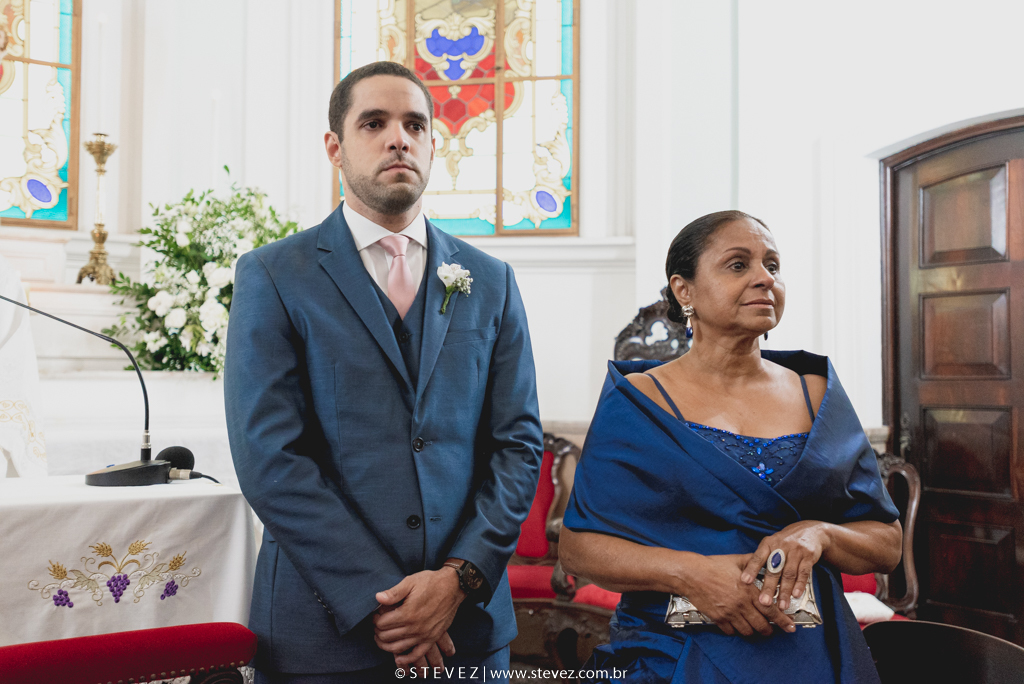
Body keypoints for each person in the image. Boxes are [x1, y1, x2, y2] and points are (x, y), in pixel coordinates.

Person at [225, 61, 543, 683]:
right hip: (323, 632)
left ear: (431, 144)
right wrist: (388, 603)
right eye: (374, 122)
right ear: (335, 147)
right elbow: (271, 459)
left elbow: (518, 445)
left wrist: (458, 580)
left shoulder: (492, 281)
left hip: (468, 630)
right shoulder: (273, 275)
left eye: (414, 124)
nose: (398, 137)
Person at [558, 210, 903, 683]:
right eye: (738, 265)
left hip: (812, 654)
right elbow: (580, 549)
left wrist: (818, 534)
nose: (764, 278)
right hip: (674, 651)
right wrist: (690, 574)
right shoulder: (639, 401)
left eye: (773, 265)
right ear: (685, 290)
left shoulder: (817, 394)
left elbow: (885, 544)